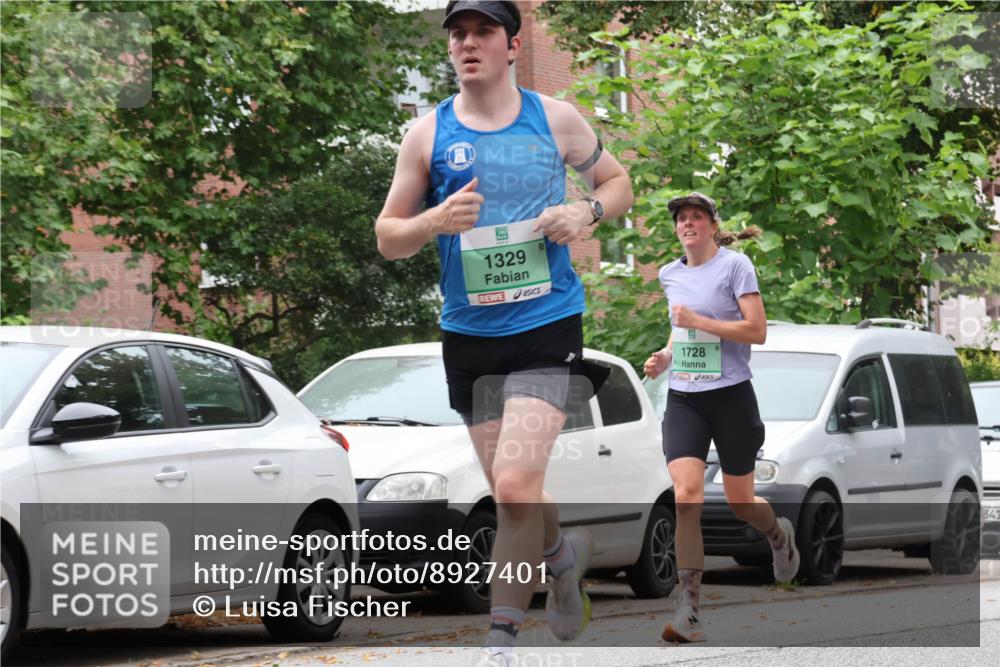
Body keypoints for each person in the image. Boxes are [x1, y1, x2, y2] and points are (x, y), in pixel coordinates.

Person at [375, 2, 634, 664]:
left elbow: (616, 180)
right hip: (469, 334)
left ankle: (501, 640)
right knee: (512, 488)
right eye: (458, 33)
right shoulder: (426, 134)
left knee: (517, 485)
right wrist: (434, 219)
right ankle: (560, 554)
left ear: (512, 44)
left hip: (547, 321)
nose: (468, 43)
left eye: (482, 32)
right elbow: (388, 238)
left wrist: (587, 210)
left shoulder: (554, 118)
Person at [643, 192, 800, 644]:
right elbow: (682, 328)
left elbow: (757, 331)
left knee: (739, 502)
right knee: (687, 495)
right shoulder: (670, 274)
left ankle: (777, 535)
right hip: (685, 399)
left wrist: (702, 321)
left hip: (731, 396)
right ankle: (689, 609)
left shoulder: (736, 266)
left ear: (712, 225)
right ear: (677, 229)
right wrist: (666, 357)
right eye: (681, 218)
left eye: (697, 216)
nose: (688, 223)